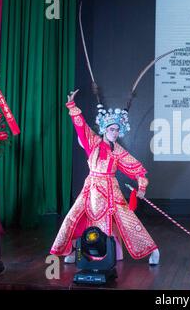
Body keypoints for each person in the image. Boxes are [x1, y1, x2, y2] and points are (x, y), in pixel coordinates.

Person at [50, 89, 160, 265]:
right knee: (73, 218)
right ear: (104, 129)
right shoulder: (92, 142)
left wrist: (142, 188)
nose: (114, 133)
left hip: (111, 189)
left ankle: (152, 251)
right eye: (111, 129)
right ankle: (72, 251)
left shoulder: (118, 151)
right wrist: (72, 106)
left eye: (117, 130)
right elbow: (81, 126)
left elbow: (138, 170)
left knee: (128, 220)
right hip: (91, 188)